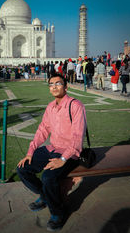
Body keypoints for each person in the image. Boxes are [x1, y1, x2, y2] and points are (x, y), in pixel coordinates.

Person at [17, 73, 86, 231]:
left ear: (66, 87)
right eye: (51, 84)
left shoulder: (75, 106)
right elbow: (42, 130)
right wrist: (30, 152)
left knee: (48, 177)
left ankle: (57, 213)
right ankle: (46, 196)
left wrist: (62, 159)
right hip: (52, 148)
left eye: (58, 83)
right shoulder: (50, 107)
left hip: (70, 153)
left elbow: (77, 137)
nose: (54, 86)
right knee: (22, 169)